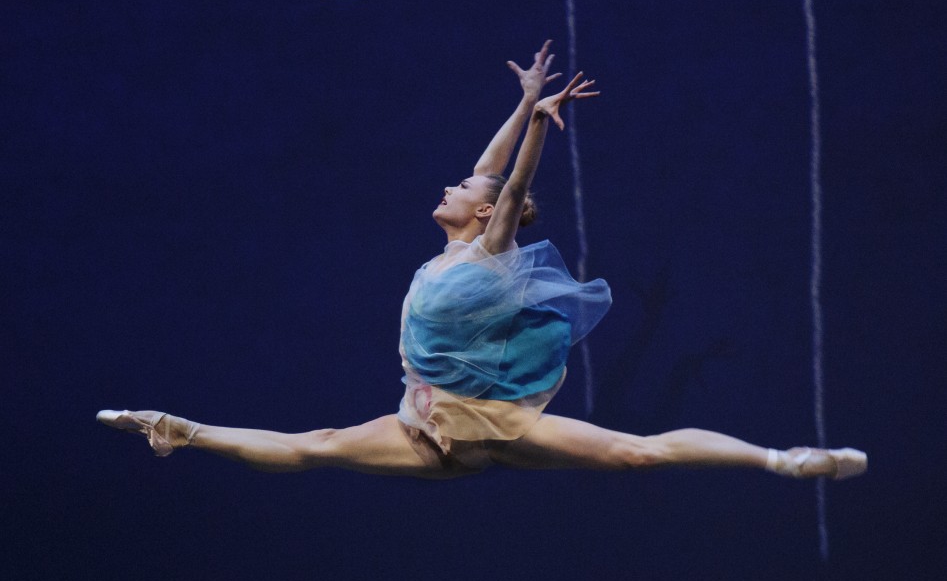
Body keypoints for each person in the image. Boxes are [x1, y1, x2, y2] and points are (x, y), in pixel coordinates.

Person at [98, 41, 866, 482]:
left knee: (636, 452)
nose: (449, 184)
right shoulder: (455, 246)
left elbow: (514, 180)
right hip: (424, 426)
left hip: (495, 428)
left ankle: (783, 459)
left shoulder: (491, 252)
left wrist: (538, 124)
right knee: (316, 446)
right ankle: (177, 428)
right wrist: (522, 101)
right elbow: (492, 168)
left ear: (486, 213)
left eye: (461, 188)